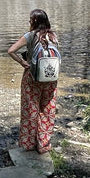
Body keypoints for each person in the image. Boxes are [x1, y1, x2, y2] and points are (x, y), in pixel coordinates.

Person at [6, 9, 59, 154]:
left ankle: (28, 144)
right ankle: (43, 144)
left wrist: (23, 62)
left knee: (31, 110)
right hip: (50, 78)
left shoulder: (30, 36)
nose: (29, 21)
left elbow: (11, 50)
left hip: (32, 77)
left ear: (35, 21)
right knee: (47, 110)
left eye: (30, 19)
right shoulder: (53, 36)